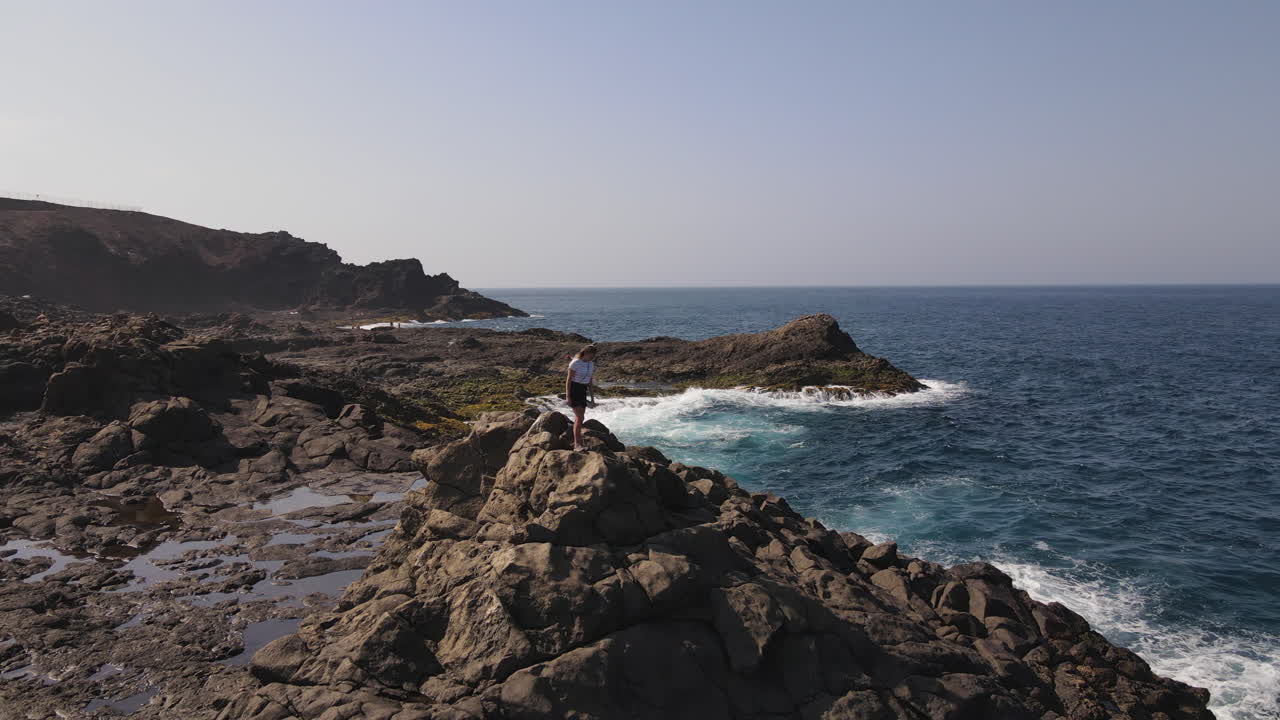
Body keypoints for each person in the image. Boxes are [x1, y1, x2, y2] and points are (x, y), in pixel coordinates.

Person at [565, 344, 598, 450]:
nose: (592, 358)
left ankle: (577, 442)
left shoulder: (591, 364)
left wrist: (592, 398)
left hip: (583, 390)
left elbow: (590, 381)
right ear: (586, 353)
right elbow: (569, 380)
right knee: (580, 418)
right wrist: (568, 396)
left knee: (579, 418)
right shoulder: (575, 363)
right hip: (574, 389)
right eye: (592, 355)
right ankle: (577, 445)